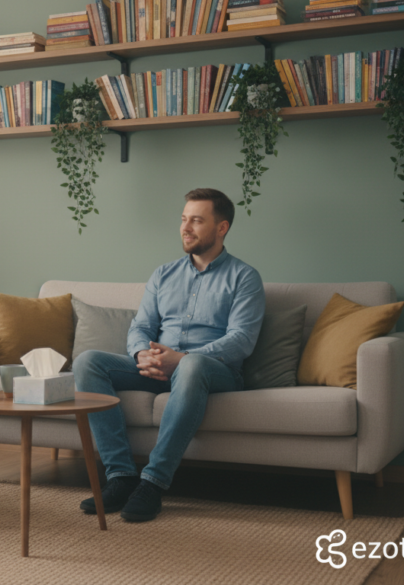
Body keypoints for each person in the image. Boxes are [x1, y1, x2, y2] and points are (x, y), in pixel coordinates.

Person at [73, 188, 265, 523]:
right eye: (183, 219)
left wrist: (180, 358)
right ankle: (120, 477)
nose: (185, 227)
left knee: (191, 365)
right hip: (159, 368)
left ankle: (153, 482)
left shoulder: (244, 278)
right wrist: (140, 354)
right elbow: (141, 326)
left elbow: (241, 340)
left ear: (221, 228)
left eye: (196, 220)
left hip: (213, 371)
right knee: (88, 362)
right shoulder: (163, 274)